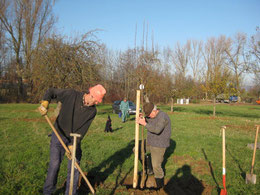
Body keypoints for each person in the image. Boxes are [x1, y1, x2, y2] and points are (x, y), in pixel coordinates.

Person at [38, 84, 106, 195]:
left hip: (74, 139)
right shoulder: (71, 94)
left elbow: (83, 130)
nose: (97, 103)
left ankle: (71, 193)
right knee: (54, 164)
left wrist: (73, 145)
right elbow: (51, 91)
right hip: (59, 134)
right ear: (91, 95)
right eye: (97, 100)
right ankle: (47, 192)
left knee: (75, 167)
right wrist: (45, 102)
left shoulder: (92, 112)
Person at [136, 102, 171, 189]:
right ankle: (148, 168)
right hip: (150, 141)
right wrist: (141, 119)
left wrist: (144, 124)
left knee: (156, 166)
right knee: (136, 149)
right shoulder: (151, 114)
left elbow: (157, 130)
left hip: (160, 144)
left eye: (149, 114)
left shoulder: (163, 117)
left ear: (155, 110)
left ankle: (160, 186)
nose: (149, 116)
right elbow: (147, 121)